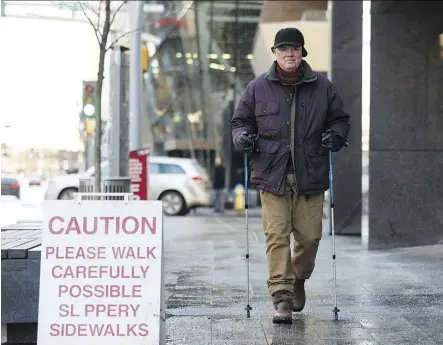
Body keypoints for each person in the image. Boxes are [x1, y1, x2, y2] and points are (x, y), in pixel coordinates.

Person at [231, 27, 350, 324]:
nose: (289, 54)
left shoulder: (323, 87)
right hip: (272, 174)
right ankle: (282, 296)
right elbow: (240, 122)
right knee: (277, 235)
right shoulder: (257, 88)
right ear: (274, 52)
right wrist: (242, 137)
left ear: (302, 52)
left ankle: (297, 278)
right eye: (283, 49)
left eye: (294, 49)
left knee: (310, 238)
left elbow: (340, 120)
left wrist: (335, 136)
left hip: (310, 174)